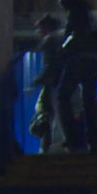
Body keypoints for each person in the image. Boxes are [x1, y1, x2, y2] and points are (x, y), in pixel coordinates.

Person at [55, 0, 97, 152]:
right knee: (88, 100)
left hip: (79, 59)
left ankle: (73, 138)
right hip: (94, 60)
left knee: (63, 96)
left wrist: (62, 51)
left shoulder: (76, 11)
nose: (60, 2)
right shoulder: (88, 12)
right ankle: (93, 140)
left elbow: (76, 35)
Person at [31, 15, 66, 153]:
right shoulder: (62, 39)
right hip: (65, 83)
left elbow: (50, 65)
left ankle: (52, 149)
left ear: (47, 27)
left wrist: (37, 81)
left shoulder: (51, 40)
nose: (39, 32)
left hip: (55, 85)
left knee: (50, 117)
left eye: (40, 28)